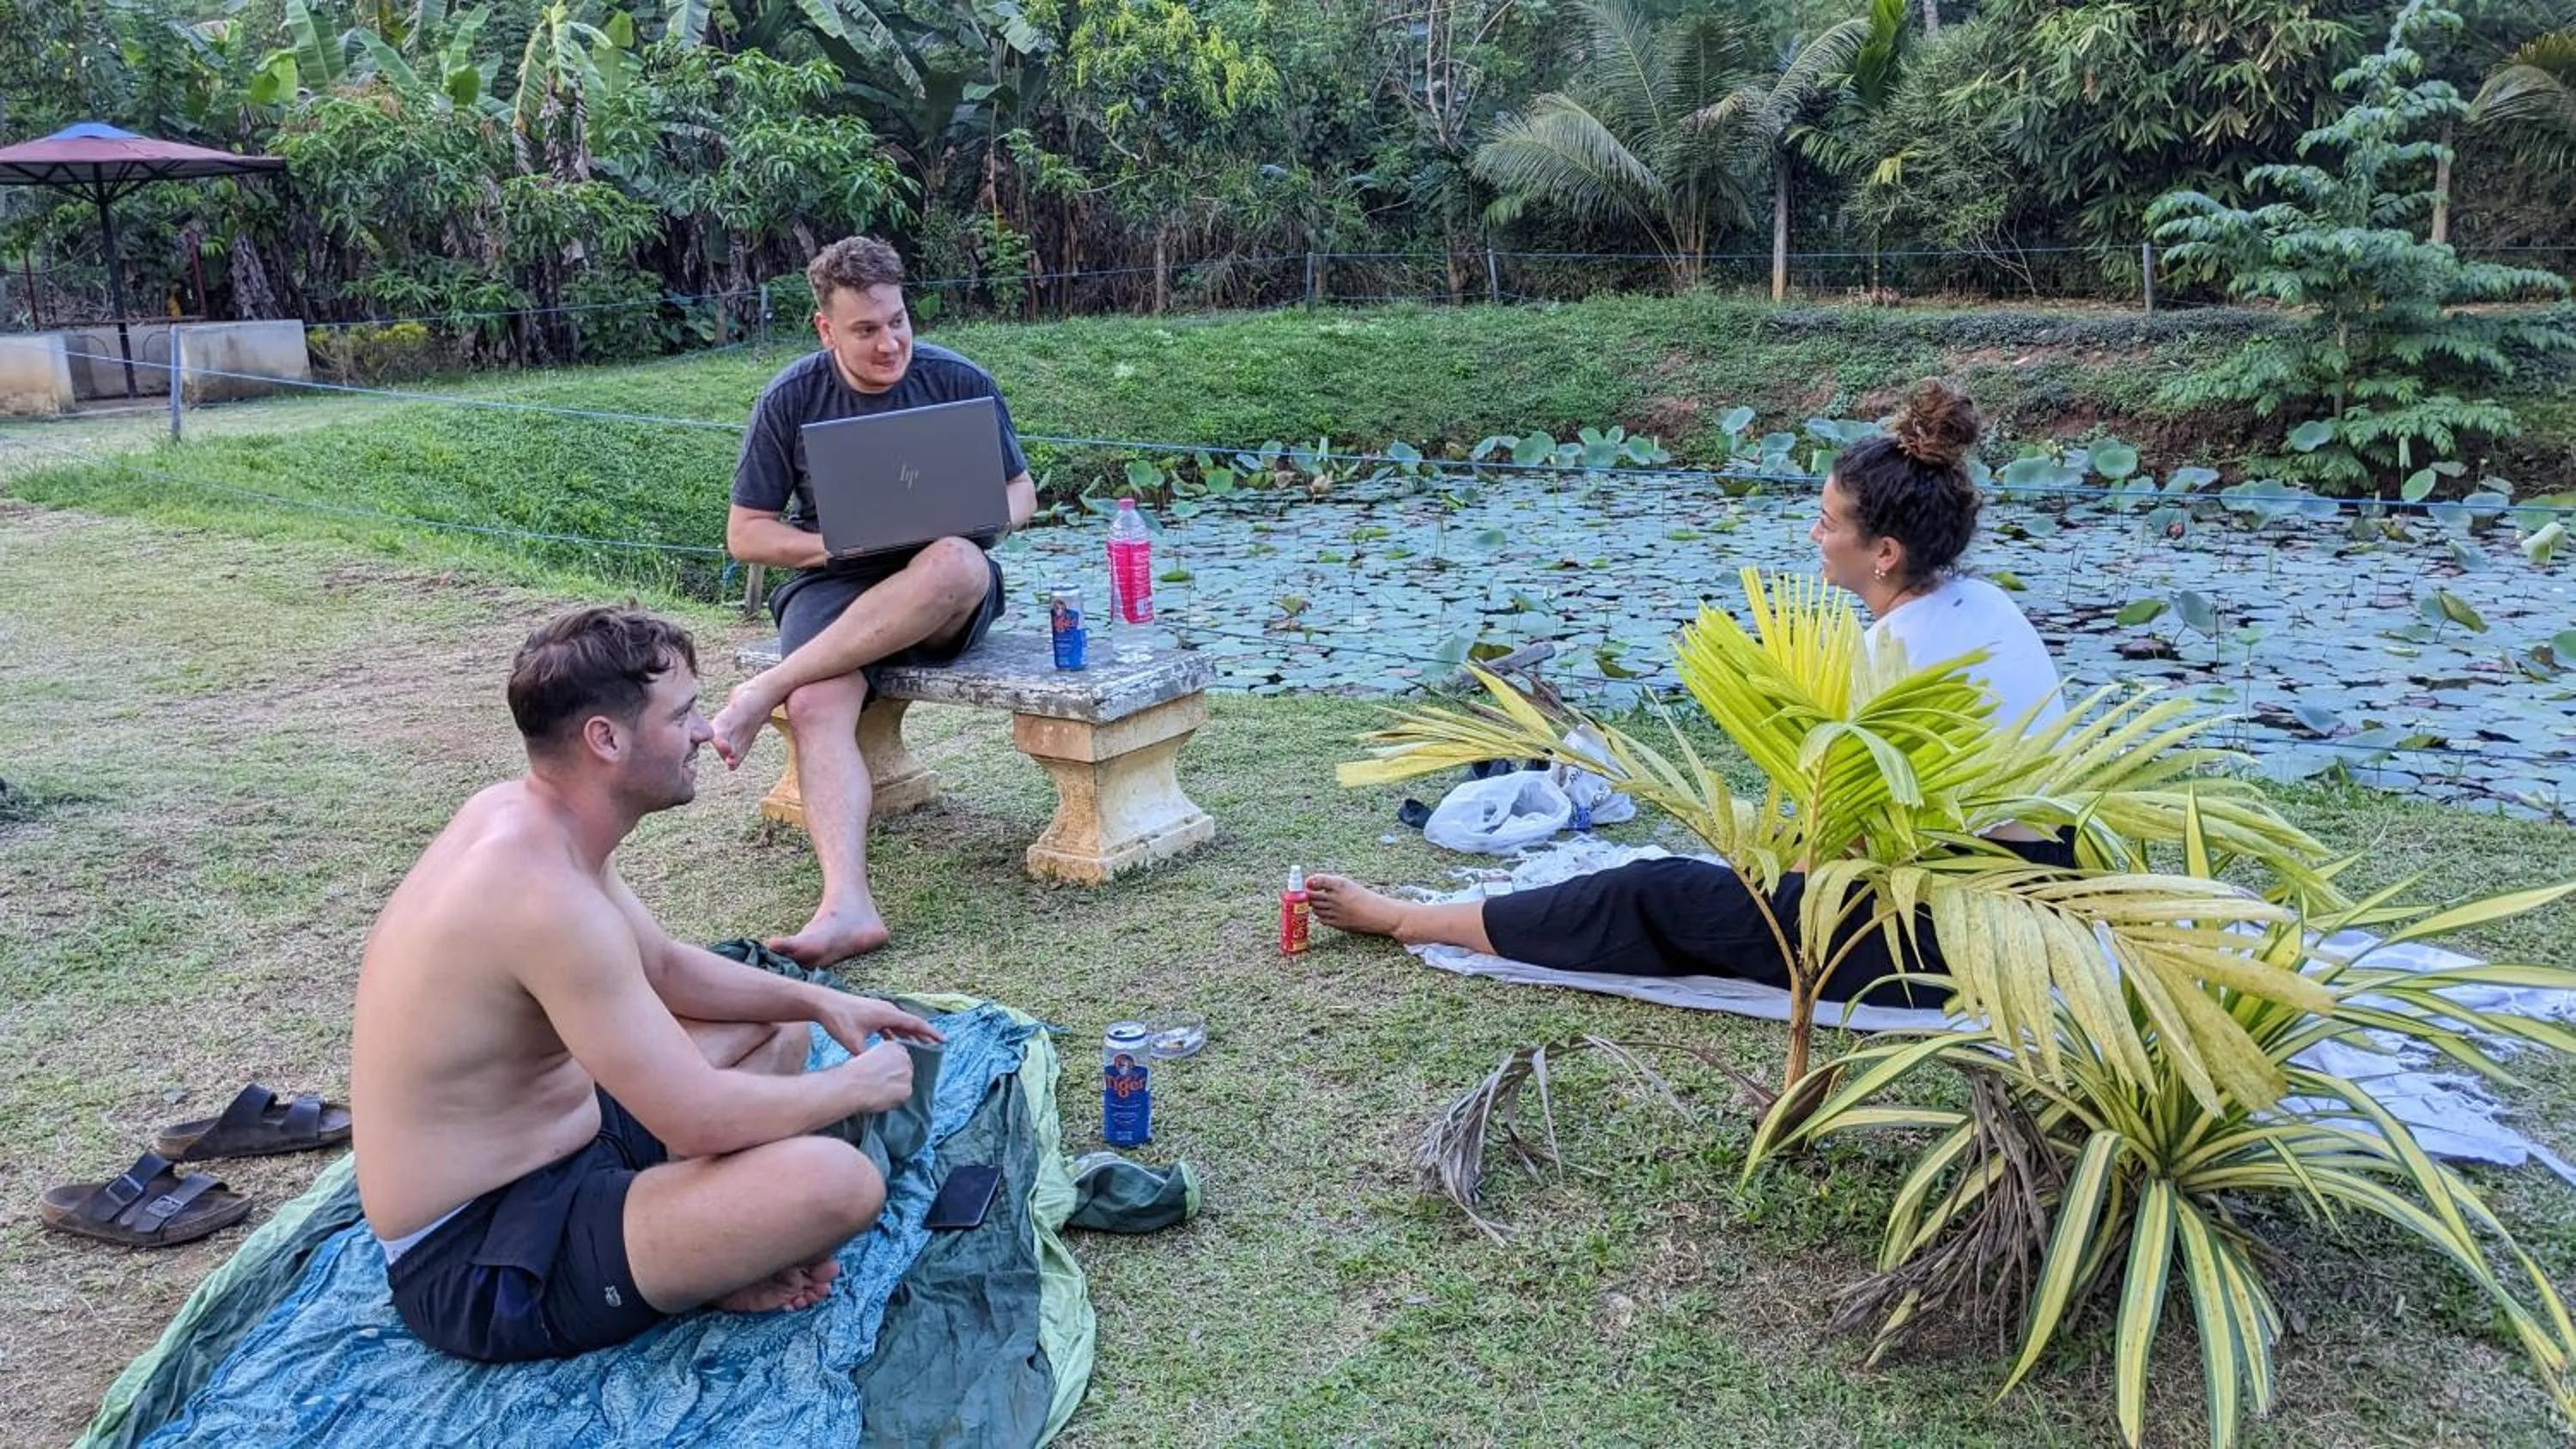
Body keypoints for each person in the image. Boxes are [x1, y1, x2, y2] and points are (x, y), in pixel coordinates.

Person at [1308, 381, 2075, 1008]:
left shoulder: (1895, 652)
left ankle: (1407, 919)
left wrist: (1761, 896)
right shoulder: (1986, 606)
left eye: (1826, 521)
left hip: (1950, 930)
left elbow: (1849, 846)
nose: (1814, 536)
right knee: (1720, 879)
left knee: (1655, 893)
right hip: (2042, 897)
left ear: (1884, 552)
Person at [350, 606, 945, 1364]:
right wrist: (862, 1085)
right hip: (480, 1251)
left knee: (778, 1026)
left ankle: (689, 1248)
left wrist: (819, 998)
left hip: (571, 1143)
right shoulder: (543, 902)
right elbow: (699, 1121)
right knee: (838, 1184)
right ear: (606, 739)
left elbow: (663, 967)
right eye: (685, 714)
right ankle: (689, 1258)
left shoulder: (528, 817)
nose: (704, 733)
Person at [708, 236, 1039, 965]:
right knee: (818, 702)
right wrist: (831, 546)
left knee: (954, 560)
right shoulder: (790, 396)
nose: (889, 343)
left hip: (941, 585)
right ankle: (846, 908)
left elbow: (1023, 493)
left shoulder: (958, 379)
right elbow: (746, 533)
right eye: (865, 329)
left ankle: (762, 688)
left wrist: (979, 514)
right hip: (835, 581)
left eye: (898, 321)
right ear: (825, 328)